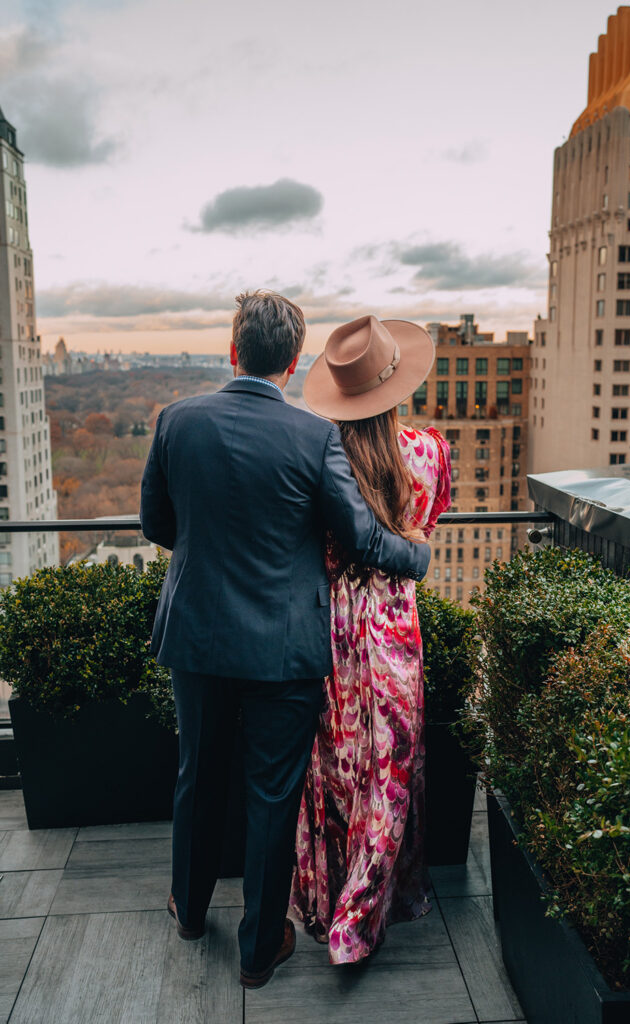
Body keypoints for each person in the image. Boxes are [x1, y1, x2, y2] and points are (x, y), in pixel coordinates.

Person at [139, 292, 431, 990]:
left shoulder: (176, 421)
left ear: (233, 350)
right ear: (294, 360)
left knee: (197, 775)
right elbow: (360, 539)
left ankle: (188, 908)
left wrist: (210, 554)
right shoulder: (312, 436)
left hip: (199, 636)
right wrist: (418, 556)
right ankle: (258, 948)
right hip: (283, 647)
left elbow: (156, 523)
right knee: (271, 796)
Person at [290, 314, 451, 964]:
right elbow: (427, 525)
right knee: (392, 763)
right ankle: (376, 903)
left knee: (335, 765)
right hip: (392, 626)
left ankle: (330, 900)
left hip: (330, 622)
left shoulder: (317, 458)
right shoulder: (430, 453)